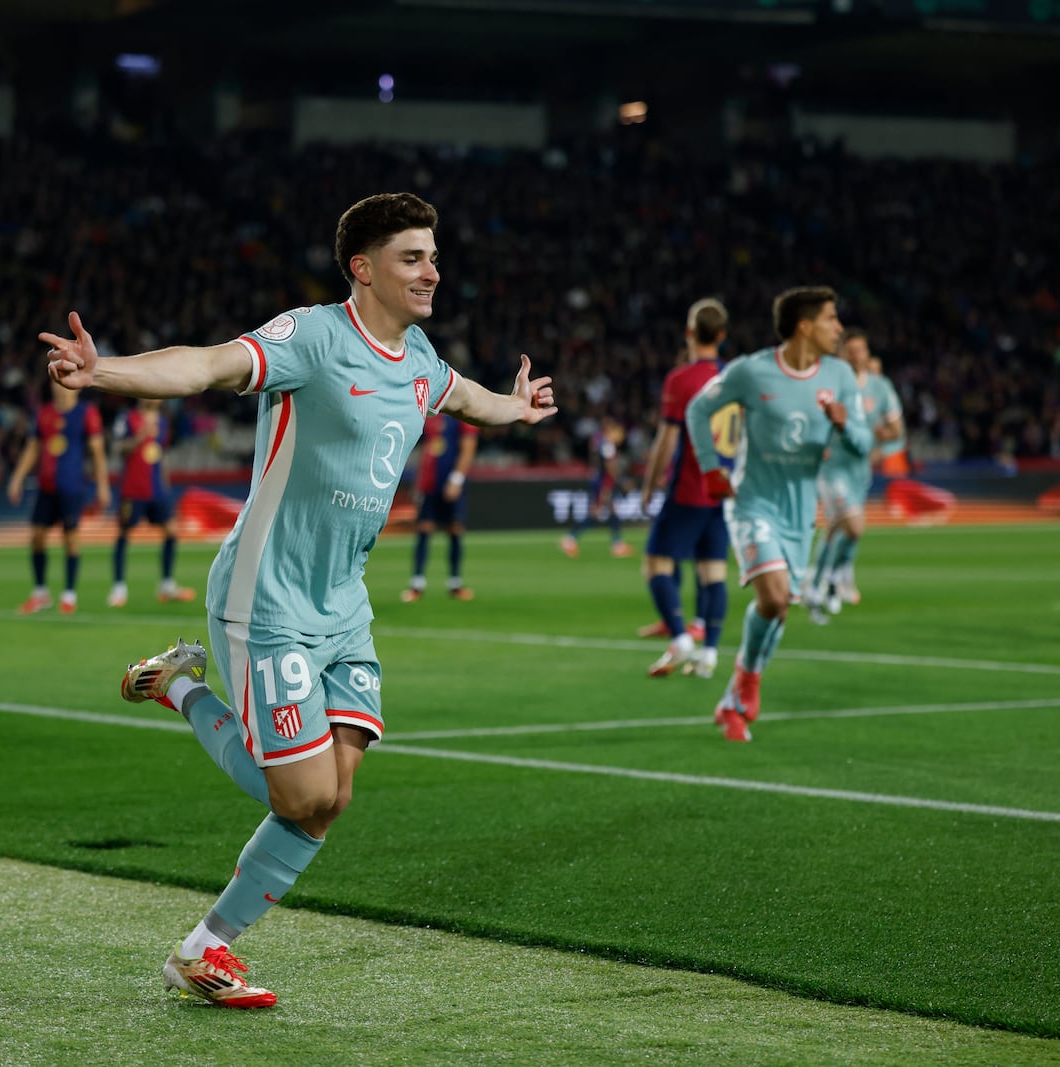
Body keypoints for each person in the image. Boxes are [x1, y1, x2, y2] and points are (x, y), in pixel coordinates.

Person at [39, 191, 557, 1007]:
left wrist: (518, 408)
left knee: (332, 797)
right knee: (302, 794)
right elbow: (205, 363)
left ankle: (204, 950)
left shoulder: (419, 356)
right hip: (267, 598)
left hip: (343, 605)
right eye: (412, 257)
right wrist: (101, 371)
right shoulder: (313, 336)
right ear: (364, 268)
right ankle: (178, 683)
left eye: (433, 254)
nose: (433, 269)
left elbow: (469, 399)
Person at [685, 286, 870, 742]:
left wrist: (846, 423)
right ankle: (748, 684)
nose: (840, 328)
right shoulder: (753, 371)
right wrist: (711, 469)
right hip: (753, 503)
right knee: (773, 595)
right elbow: (697, 409)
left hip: (801, 512)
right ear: (805, 326)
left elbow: (865, 445)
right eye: (832, 319)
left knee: (779, 607)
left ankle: (733, 697)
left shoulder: (841, 376)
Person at [638, 298, 736, 680]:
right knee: (714, 572)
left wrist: (649, 485)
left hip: (690, 488)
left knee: (656, 564)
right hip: (723, 490)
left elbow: (666, 440)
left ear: (689, 333)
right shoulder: (734, 378)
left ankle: (680, 640)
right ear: (723, 336)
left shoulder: (682, 379)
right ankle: (710, 653)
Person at [805, 331, 904, 622]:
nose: (857, 356)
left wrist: (876, 435)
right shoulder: (829, 384)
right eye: (851, 351)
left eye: (861, 350)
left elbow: (897, 430)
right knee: (854, 526)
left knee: (838, 528)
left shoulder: (880, 387)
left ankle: (820, 583)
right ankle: (834, 576)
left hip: (860, 470)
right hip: (832, 467)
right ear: (841, 355)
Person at [6, 379, 110, 615]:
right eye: (56, 382)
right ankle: (40, 593)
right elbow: (33, 448)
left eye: (64, 382)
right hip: (46, 486)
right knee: (37, 536)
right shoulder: (44, 413)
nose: (59, 386)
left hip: (72, 486)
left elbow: (97, 450)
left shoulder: (86, 413)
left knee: (70, 538)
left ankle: (69, 595)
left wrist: (103, 485)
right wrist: (17, 478)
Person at [108, 398, 195, 607]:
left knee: (171, 531)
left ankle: (167, 585)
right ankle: (119, 587)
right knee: (124, 533)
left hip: (157, 488)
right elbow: (119, 449)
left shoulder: (163, 421)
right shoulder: (127, 418)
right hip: (133, 487)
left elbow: (160, 453)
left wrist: (165, 485)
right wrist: (140, 437)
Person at [401, 412, 477, 602]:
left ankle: (455, 583)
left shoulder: (463, 415)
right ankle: (417, 584)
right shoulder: (431, 415)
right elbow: (427, 450)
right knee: (424, 529)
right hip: (430, 483)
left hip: (450, 480)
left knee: (455, 530)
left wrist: (457, 479)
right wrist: (418, 483)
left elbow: (468, 448)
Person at [560, 415, 632, 559]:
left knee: (612, 512)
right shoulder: (608, 445)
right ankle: (570, 539)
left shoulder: (601, 442)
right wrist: (621, 481)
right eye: (618, 431)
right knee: (595, 514)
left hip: (602, 482)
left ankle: (617, 544)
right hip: (604, 484)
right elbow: (610, 467)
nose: (621, 435)